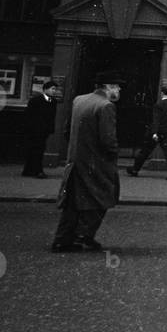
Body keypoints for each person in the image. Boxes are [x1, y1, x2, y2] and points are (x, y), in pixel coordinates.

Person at [52, 71, 124, 253]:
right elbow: (108, 140)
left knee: (72, 203)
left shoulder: (79, 100)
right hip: (96, 164)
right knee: (101, 200)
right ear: (108, 88)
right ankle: (84, 236)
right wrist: (113, 156)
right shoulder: (106, 106)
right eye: (116, 86)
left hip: (76, 161)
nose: (119, 89)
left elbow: (67, 130)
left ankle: (62, 240)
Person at [126, 85, 167, 180]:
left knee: (145, 151)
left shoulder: (158, 105)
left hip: (158, 132)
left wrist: (154, 133)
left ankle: (135, 169)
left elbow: (156, 120)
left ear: (162, 93)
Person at [22, 80, 60, 178]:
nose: (54, 91)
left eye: (55, 89)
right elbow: (29, 116)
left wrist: (50, 128)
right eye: (52, 89)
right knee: (36, 150)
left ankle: (29, 170)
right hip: (35, 130)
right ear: (45, 89)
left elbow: (52, 116)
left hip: (44, 131)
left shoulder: (53, 101)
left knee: (38, 149)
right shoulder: (35, 100)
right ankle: (37, 171)